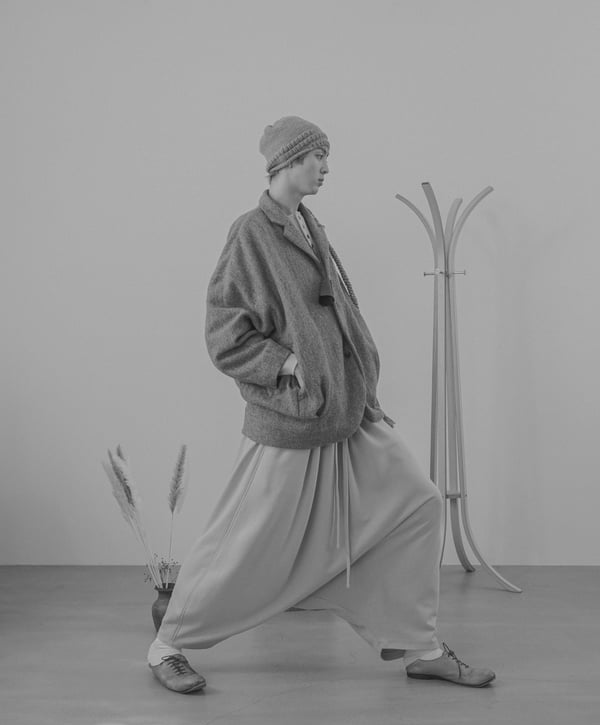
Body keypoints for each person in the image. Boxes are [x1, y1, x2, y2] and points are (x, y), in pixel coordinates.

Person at [147, 115, 496, 693]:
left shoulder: (310, 226)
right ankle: (167, 646)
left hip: (347, 411)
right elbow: (224, 332)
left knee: (420, 504)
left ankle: (421, 646)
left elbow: (338, 314)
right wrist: (287, 365)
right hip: (293, 419)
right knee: (244, 544)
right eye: (318, 157)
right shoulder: (251, 233)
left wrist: (362, 386)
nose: (327, 168)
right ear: (288, 160)